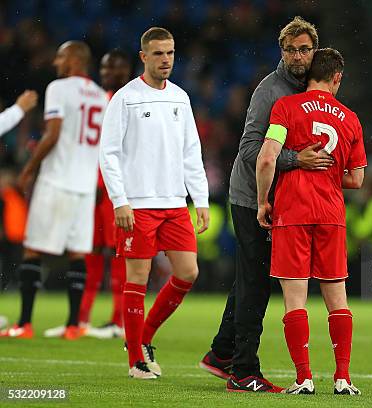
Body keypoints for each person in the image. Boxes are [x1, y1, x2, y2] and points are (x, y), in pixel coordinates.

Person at [200, 16, 334, 394]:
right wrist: (296, 160)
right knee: (256, 283)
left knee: (250, 279)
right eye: (290, 49)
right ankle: (244, 371)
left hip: (281, 201)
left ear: (314, 51)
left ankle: (221, 353)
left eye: (304, 49)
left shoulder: (311, 90)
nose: (297, 56)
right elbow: (248, 150)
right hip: (250, 199)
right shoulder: (270, 91)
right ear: (282, 51)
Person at [99, 27, 210, 379]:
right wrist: (120, 200)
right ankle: (136, 361)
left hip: (175, 202)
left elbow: (192, 152)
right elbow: (109, 153)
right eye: (159, 54)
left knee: (188, 272)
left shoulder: (180, 97)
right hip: (138, 203)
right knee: (138, 277)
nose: (166, 60)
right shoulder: (125, 98)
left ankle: (143, 338)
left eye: (171, 53)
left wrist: (201, 199)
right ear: (143, 57)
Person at [256, 48, 366, 395]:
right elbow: (357, 179)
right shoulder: (350, 117)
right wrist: (330, 170)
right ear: (337, 77)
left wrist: (262, 201)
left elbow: (266, 159)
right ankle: (343, 378)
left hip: (292, 212)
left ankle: (304, 378)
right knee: (337, 297)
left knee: (295, 299)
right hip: (331, 214)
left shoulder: (286, 107)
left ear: (308, 75)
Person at [0, 41, 108, 340]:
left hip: (56, 180)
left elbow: (53, 133)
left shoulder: (59, 88)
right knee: (77, 253)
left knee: (33, 249)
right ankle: (74, 325)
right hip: (85, 185)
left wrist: (29, 168)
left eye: (60, 56)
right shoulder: (101, 97)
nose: (56, 62)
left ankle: (24, 324)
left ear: (74, 60)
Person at [77, 49, 133, 339]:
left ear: (127, 70)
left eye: (114, 68)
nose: (106, 73)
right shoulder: (100, 101)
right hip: (94, 190)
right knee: (93, 252)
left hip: (115, 192)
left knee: (119, 254)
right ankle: (80, 319)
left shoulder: (130, 101)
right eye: (103, 67)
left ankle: (119, 320)